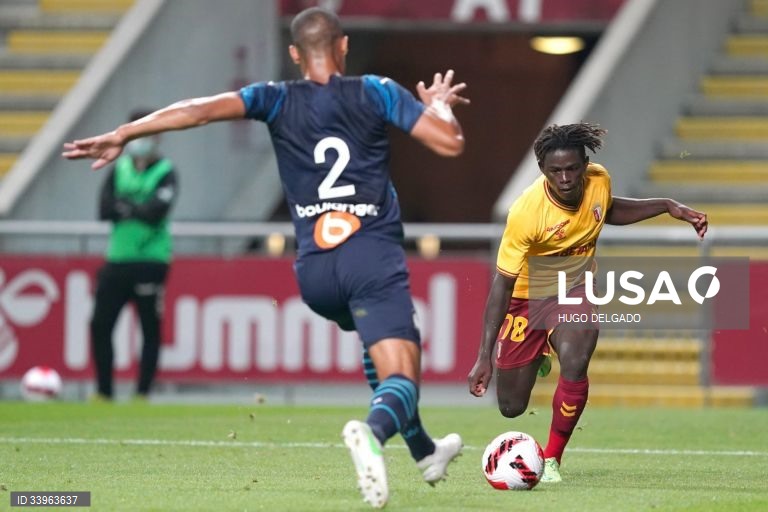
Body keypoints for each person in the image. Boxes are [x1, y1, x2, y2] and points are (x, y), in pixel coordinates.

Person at [63, 7, 468, 508]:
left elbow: (198, 109)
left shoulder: (273, 98)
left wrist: (127, 133)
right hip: (369, 254)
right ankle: (371, 433)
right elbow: (449, 144)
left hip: (315, 269)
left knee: (378, 343)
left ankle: (426, 453)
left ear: (296, 54)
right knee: (402, 371)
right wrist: (439, 107)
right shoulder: (377, 90)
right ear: (342, 46)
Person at [467, 123, 708, 483]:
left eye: (572, 168)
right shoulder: (526, 214)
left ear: (585, 164)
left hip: (573, 285)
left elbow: (606, 211)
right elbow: (502, 286)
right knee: (511, 408)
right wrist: (484, 355)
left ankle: (551, 459)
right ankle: (542, 350)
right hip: (524, 297)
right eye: (555, 171)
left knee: (577, 360)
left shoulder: (599, 180)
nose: (565, 178)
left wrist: (666, 206)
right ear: (543, 171)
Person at [89, 109, 179, 401]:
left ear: (158, 135)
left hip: (151, 261)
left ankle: (142, 392)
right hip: (117, 258)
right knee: (100, 324)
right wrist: (134, 207)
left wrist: (126, 205)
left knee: (149, 328)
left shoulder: (166, 171)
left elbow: (156, 213)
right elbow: (104, 209)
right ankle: (104, 392)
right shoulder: (120, 167)